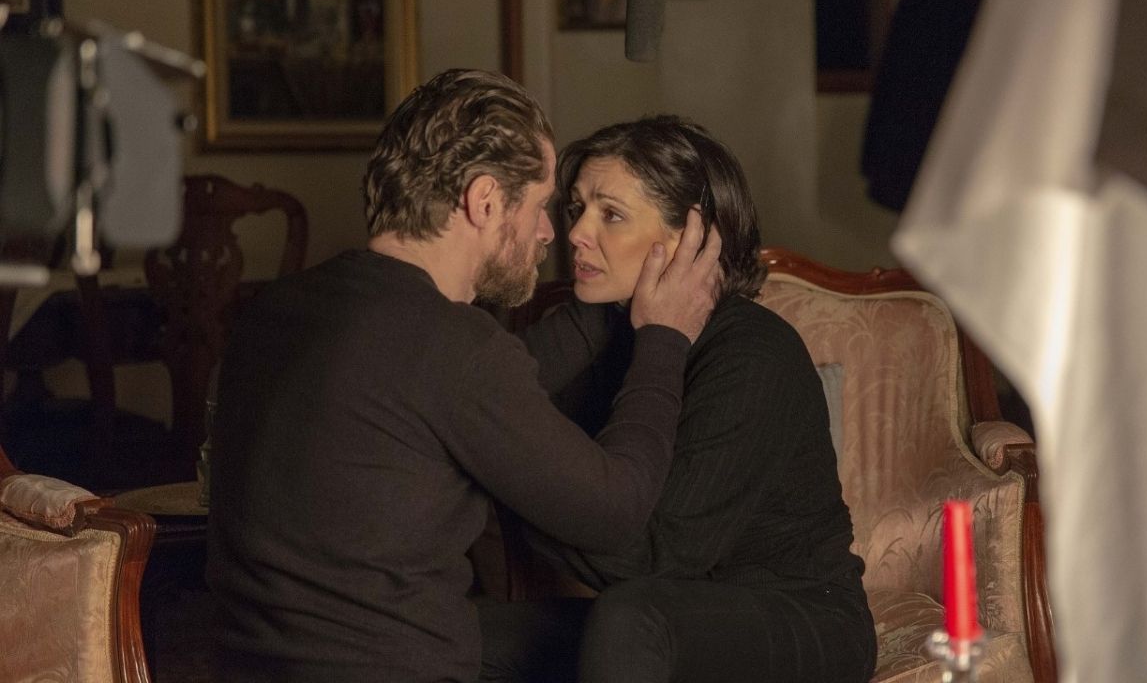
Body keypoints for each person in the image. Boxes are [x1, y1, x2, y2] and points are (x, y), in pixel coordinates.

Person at [205, 70, 722, 683]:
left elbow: (472, 391)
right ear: (485, 201)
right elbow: (616, 510)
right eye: (540, 206)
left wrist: (608, 304)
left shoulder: (275, 309)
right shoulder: (453, 347)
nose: (549, 232)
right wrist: (663, 336)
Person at [480, 116, 876, 683]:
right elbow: (481, 400)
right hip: (662, 615)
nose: (577, 233)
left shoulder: (755, 351)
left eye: (611, 214)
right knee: (455, 635)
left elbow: (656, 557)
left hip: (802, 616)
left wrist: (496, 472)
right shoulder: (599, 321)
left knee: (631, 618)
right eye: (578, 209)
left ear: (692, 238)